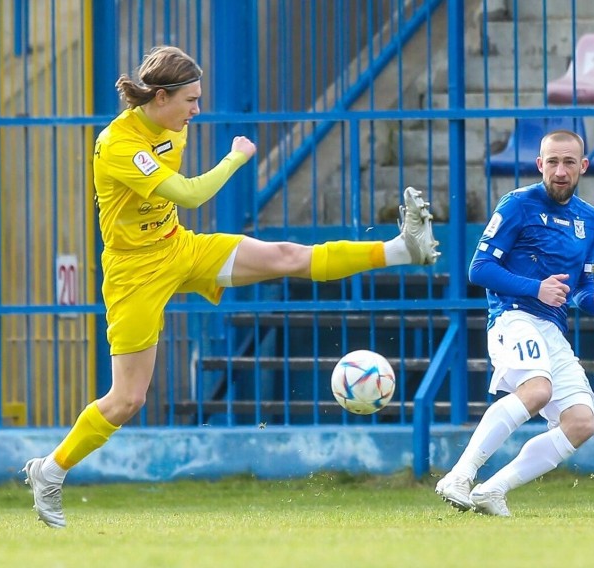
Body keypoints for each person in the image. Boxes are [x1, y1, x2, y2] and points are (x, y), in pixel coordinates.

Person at [23, 45, 440, 528]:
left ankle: (400, 249)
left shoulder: (169, 126)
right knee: (127, 399)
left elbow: (178, 206)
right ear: (159, 97)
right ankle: (49, 472)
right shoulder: (119, 145)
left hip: (179, 246)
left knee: (284, 256)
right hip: (133, 272)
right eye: (190, 100)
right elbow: (191, 194)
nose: (197, 110)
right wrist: (235, 158)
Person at [435, 129, 594, 517]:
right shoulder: (517, 205)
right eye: (553, 162)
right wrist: (535, 288)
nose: (560, 171)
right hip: (512, 317)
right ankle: (459, 475)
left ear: (583, 167)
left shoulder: (589, 219)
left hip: (551, 328)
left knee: (581, 423)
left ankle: (492, 490)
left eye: (569, 163)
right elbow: (479, 269)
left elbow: (578, 287)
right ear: (540, 164)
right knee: (537, 389)